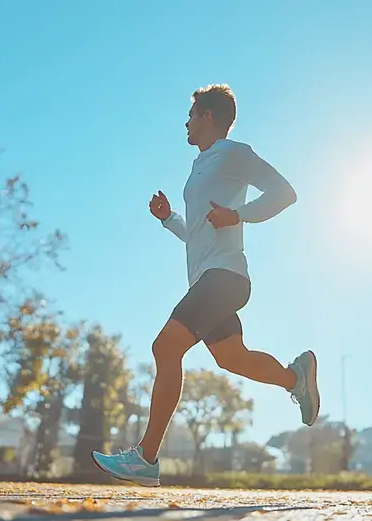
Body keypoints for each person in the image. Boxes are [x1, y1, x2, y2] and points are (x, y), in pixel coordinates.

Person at [91, 84, 319, 487]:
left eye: (192, 114)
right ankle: (295, 378)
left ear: (209, 116)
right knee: (232, 358)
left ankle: (146, 457)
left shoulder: (234, 153)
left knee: (165, 347)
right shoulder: (200, 167)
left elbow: (285, 193)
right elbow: (197, 232)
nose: (186, 122)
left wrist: (238, 214)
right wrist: (168, 219)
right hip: (209, 277)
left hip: (225, 276)